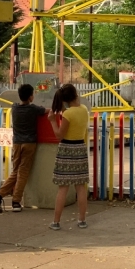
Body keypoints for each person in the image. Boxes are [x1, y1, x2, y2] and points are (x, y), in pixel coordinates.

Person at [0, 83, 45, 213]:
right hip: (29, 143)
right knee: (23, 172)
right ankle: (16, 201)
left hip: (17, 143)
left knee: (15, 171)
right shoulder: (34, 109)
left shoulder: (14, 108)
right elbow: (46, 111)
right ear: (31, 96)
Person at [48, 83, 89, 230]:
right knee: (81, 187)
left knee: (63, 187)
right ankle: (82, 220)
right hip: (80, 148)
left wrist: (53, 121)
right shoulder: (84, 109)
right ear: (76, 94)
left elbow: (59, 135)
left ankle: (56, 222)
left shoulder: (67, 114)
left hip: (66, 149)